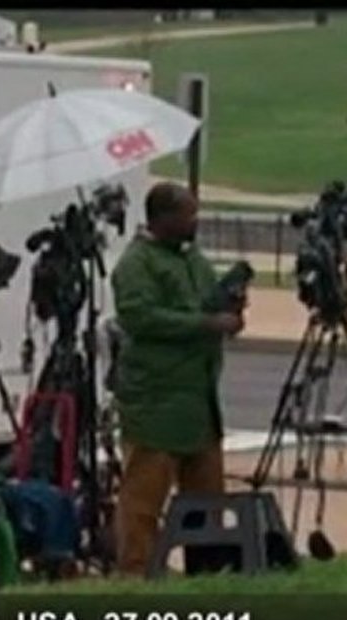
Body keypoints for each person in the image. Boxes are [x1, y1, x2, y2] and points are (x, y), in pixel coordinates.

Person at [110, 181, 245, 577]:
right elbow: (140, 316)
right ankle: (137, 572)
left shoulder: (193, 260)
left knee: (207, 498)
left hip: (199, 401)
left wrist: (229, 309)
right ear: (163, 218)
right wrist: (204, 323)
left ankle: (207, 569)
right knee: (144, 499)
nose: (195, 221)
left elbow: (207, 303)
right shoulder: (137, 264)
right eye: (188, 214)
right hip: (155, 400)